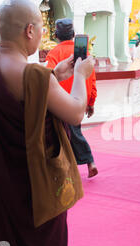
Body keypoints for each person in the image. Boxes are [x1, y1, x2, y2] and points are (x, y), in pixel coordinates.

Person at [0, 0, 94, 246]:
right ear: (29, 31)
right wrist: (80, 75)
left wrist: (55, 75)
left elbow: (20, 94)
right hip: (31, 193)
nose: (43, 34)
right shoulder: (36, 77)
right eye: (41, 28)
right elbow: (76, 112)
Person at [45, 18, 98, 178]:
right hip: (79, 99)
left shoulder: (54, 53)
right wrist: (91, 102)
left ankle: (87, 162)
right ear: (73, 35)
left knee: (68, 135)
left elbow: (49, 77)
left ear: (55, 35)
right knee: (73, 133)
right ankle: (86, 163)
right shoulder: (85, 54)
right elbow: (92, 78)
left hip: (61, 102)